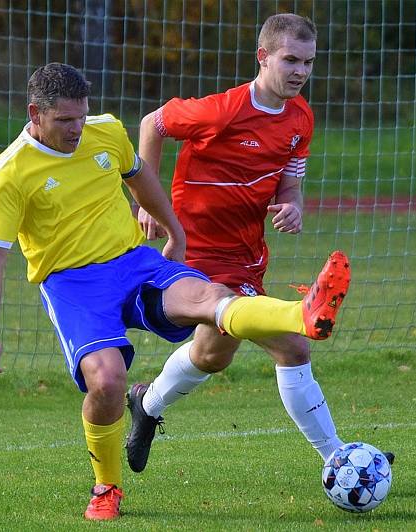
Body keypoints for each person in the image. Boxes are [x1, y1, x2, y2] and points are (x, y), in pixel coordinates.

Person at [0, 62, 350, 521]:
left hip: (133, 262)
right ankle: (107, 487)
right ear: (36, 113)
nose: (77, 129)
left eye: (81, 116)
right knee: (107, 380)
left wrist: (174, 230)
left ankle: (301, 315)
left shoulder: (105, 131)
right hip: (73, 284)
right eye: (64, 120)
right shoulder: (10, 171)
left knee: (209, 299)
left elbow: (139, 176)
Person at [127, 14, 392, 475]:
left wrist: (293, 206)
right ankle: (339, 459)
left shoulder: (300, 118)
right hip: (196, 254)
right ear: (263, 57)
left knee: (212, 355)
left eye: (309, 62)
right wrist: (147, 200)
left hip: (246, 256)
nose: (300, 72)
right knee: (293, 347)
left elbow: (290, 186)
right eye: (290, 59)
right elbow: (154, 123)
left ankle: (145, 404)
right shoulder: (223, 110)